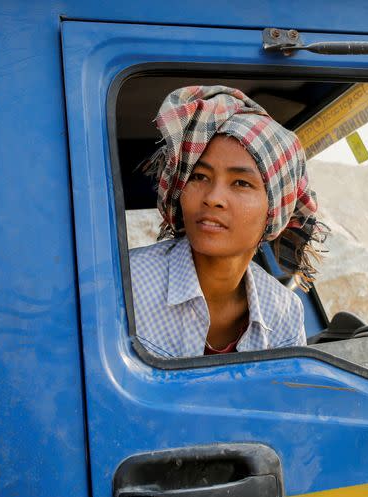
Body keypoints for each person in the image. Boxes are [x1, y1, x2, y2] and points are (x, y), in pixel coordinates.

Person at [129, 86, 326, 358]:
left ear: (274, 210)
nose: (213, 198)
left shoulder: (284, 312)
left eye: (241, 183)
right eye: (199, 177)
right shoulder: (128, 283)